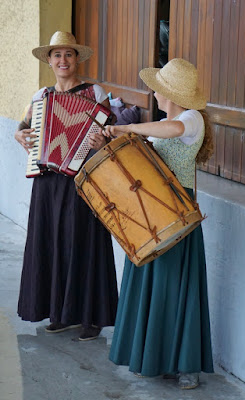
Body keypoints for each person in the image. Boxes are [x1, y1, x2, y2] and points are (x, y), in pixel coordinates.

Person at [103, 58, 214, 389]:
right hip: (152, 210)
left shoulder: (189, 119)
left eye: (157, 87)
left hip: (177, 211)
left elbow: (172, 131)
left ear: (168, 92)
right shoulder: (164, 122)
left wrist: (128, 127)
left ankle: (186, 366)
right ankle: (154, 359)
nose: (152, 92)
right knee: (152, 281)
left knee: (177, 284)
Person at [15, 31, 118, 341]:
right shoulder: (39, 96)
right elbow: (24, 128)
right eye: (57, 55)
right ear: (49, 61)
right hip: (47, 179)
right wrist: (20, 136)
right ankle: (59, 313)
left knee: (84, 243)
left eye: (69, 55)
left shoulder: (95, 92)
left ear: (77, 60)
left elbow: (108, 134)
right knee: (51, 241)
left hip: (84, 176)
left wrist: (102, 141)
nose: (63, 60)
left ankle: (90, 317)